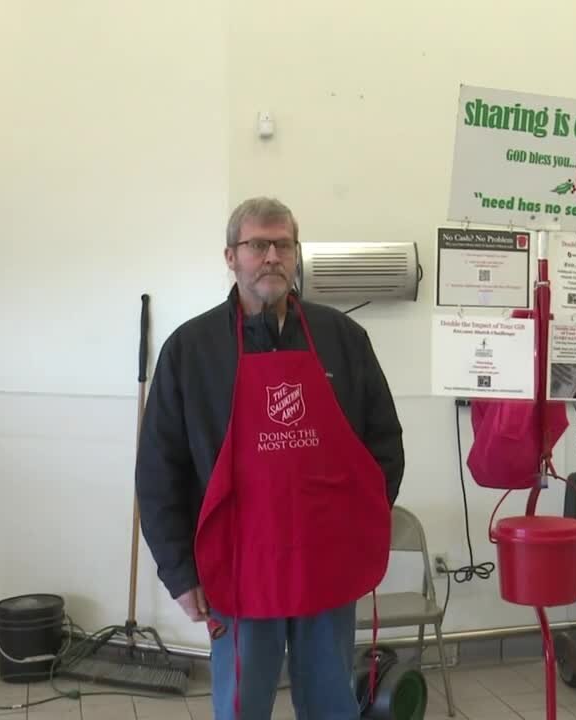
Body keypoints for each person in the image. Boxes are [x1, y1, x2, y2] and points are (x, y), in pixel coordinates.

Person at [135, 197, 405, 720]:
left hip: (325, 562)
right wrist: (179, 571)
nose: (272, 256)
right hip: (235, 569)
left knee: (331, 704)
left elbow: (383, 444)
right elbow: (158, 472)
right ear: (230, 257)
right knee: (242, 707)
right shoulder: (191, 350)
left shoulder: (343, 340)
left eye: (283, 244)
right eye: (257, 245)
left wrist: (359, 526)